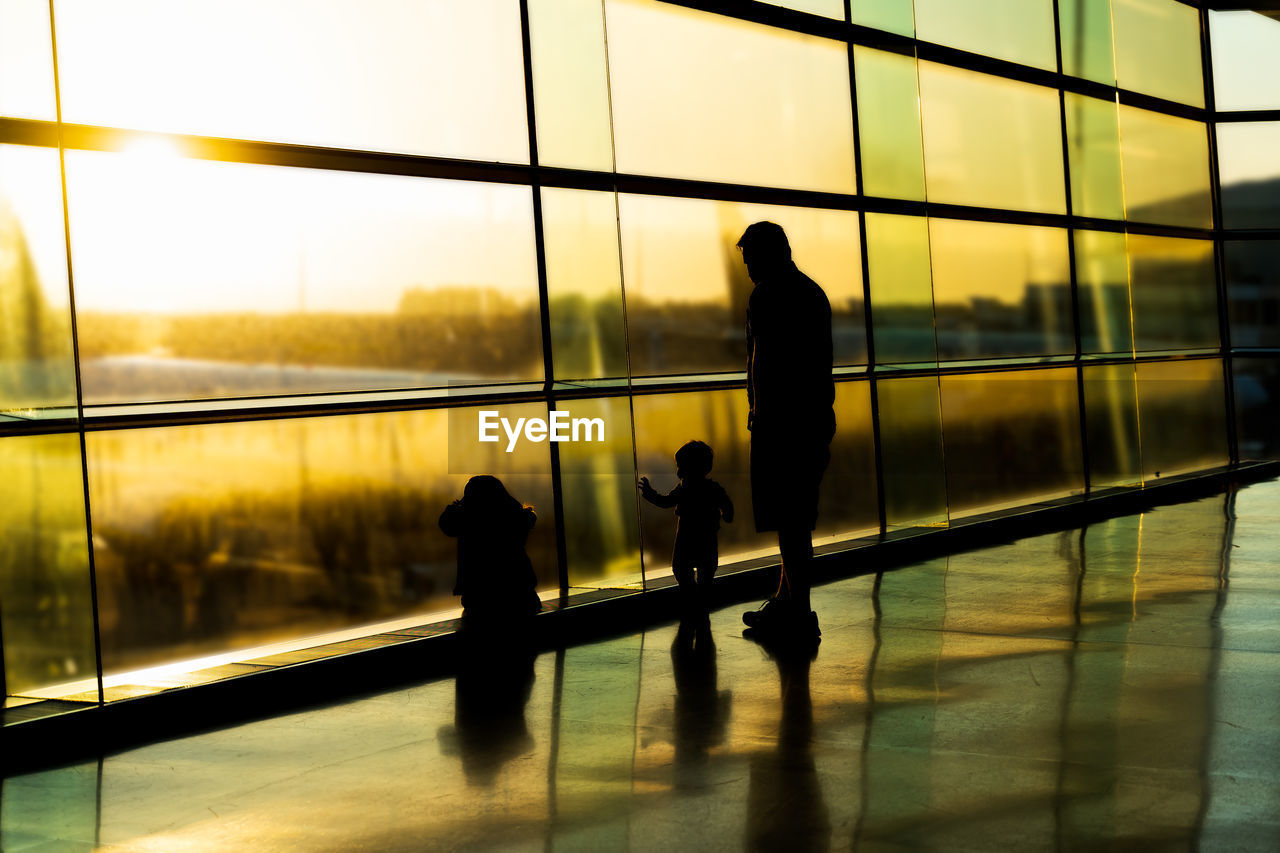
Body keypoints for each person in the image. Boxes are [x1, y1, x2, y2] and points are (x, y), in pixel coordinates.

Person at [737, 222, 834, 644]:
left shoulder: (767, 295)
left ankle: (798, 612)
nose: (748, 270)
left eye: (750, 260)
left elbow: (763, 358)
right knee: (796, 518)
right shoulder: (812, 292)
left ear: (767, 254)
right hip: (812, 417)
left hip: (781, 421)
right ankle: (785, 602)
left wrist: (758, 409)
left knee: (788, 520)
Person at [638, 440, 734, 612]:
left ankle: (692, 600)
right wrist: (727, 514)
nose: (678, 471)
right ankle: (700, 601)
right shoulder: (711, 488)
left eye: (681, 466)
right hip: (707, 538)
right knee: (705, 571)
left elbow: (666, 501)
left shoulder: (684, 489)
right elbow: (726, 504)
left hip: (686, 538)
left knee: (681, 568)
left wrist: (650, 494)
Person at [439, 475, 541, 625]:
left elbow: (447, 524)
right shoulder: (514, 517)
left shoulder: (470, 522)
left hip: (481, 600)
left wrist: (456, 507)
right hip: (522, 595)